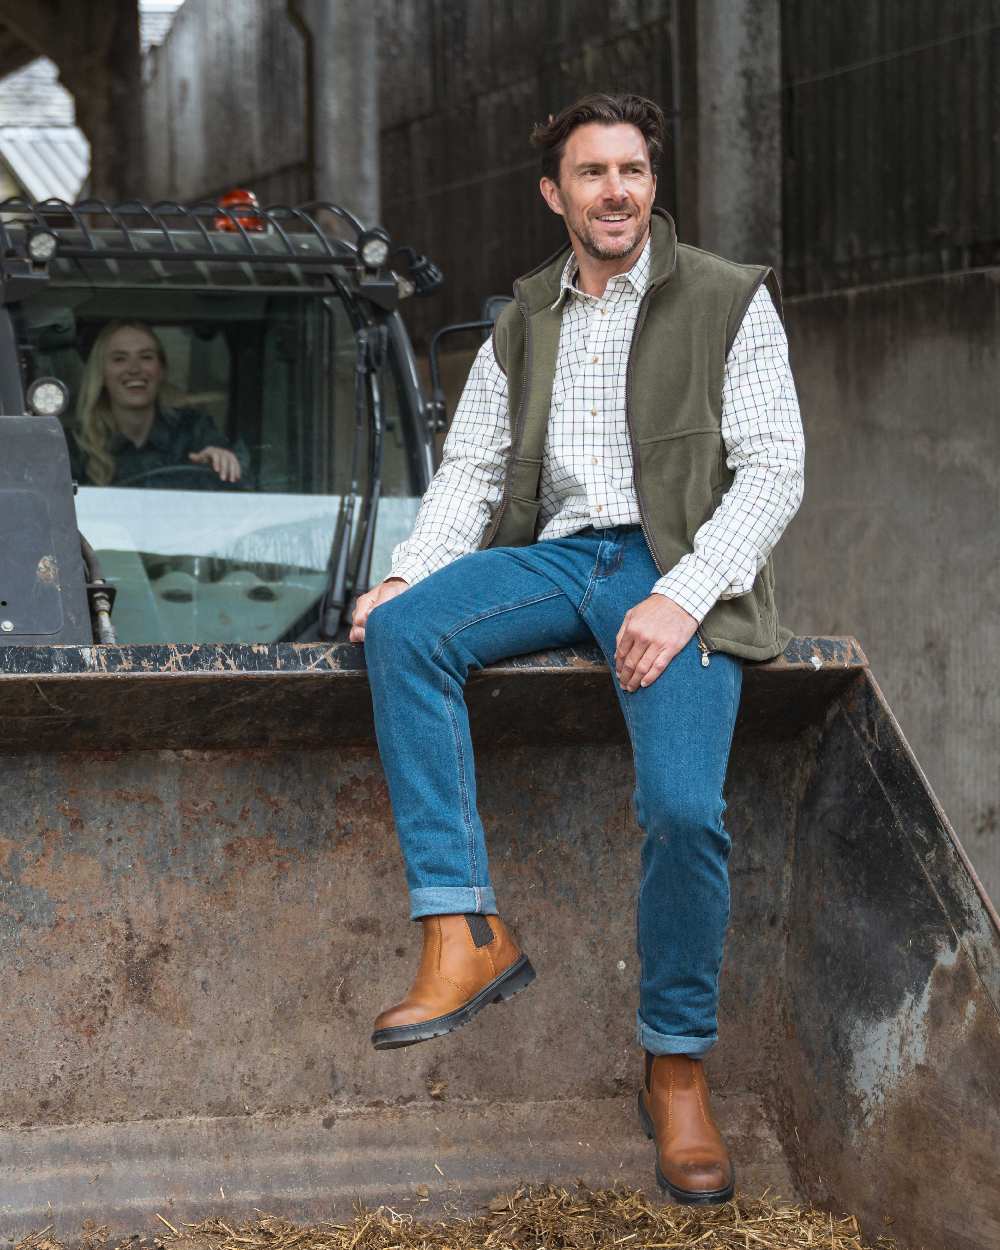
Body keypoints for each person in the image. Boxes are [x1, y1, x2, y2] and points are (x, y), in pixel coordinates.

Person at [351, 93, 804, 1205]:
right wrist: (411, 568)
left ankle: (675, 1062)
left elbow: (775, 469)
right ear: (554, 194)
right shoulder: (522, 320)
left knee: (686, 810)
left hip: (673, 568)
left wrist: (686, 593)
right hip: (558, 560)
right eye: (593, 173)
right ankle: (463, 929)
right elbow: (466, 471)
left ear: (654, 183)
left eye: (633, 171)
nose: (617, 191)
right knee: (404, 630)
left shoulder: (727, 297)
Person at [72, 320, 246, 487]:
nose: (134, 369)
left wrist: (224, 461)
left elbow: (246, 491)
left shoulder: (194, 430)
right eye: (119, 359)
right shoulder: (78, 444)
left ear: (162, 370)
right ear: (101, 374)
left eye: (146, 357)